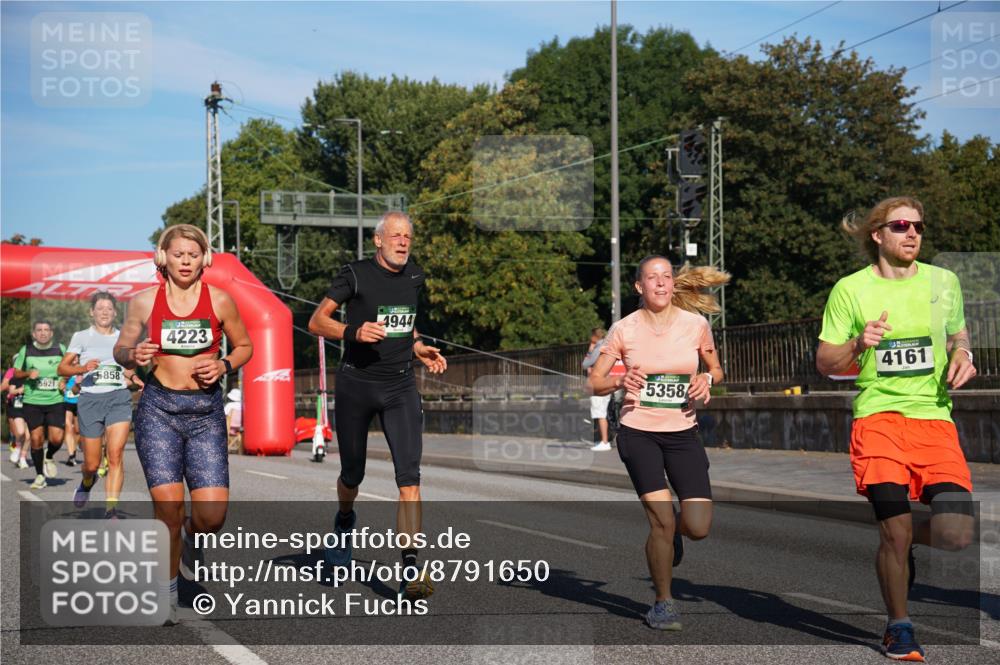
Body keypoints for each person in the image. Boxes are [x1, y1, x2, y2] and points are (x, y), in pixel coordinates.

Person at [816, 196, 976, 663]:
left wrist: (963, 353)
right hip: (878, 420)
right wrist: (856, 342)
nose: (913, 234)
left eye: (919, 227)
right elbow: (826, 362)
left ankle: (899, 539)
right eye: (902, 225)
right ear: (877, 235)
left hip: (935, 420)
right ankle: (899, 627)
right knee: (895, 530)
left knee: (955, 533)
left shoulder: (943, 281)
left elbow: (957, 333)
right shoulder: (851, 290)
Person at [114, 224, 253, 624]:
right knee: (169, 509)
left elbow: (245, 345)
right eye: (179, 254)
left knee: (211, 517)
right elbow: (121, 348)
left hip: (206, 413)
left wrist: (225, 363)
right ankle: (167, 592)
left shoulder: (221, 300)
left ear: (205, 259)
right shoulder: (143, 302)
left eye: (194, 254)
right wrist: (132, 353)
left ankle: (194, 539)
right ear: (164, 257)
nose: (186, 261)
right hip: (158, 411)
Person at [308, 211, 447, 601]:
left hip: (400, 386)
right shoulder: (355, 274)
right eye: (395, 236)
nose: (403, 242)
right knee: (353, 475)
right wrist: (353, 331)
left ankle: (410, 570)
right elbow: (317, 322)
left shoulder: (414, 276)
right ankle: (344, 521)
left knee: (410, 481)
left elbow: (407, 323)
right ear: (378, 241)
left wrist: (418, 347)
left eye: (408, 236)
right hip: (356, 384)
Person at [588, 256, 727, 631]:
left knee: (697, 526)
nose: (661, 284)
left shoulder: (696, 325)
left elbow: (715, 368)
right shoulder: (624, 329)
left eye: (666, 277)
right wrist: (620, 382)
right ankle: (663, 603)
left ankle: (671, 540)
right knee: (662, 521)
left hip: (683, 432)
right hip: (639, 432)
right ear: (640, 287)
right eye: (652, 278)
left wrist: (707, 381)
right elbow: (594, 382)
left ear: (673, 283)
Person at [60, 291, 143, 519]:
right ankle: (87, 482)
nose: (104, 312)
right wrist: (81, 369)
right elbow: (62, 368)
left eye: (109, 309)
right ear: (92, 312)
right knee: (92, 463)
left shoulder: (123, 338)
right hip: (90, 400)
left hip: (118, 397)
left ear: (115, 313)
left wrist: (135, 379)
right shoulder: (81, 337)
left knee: (116, 455)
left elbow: (127, 369)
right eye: (100, 308)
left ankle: (111, 510)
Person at [13, 321, 67, 489]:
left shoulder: (60, 349)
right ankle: (39, 475)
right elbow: (16, 373)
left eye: (46, 330)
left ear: (51, 333)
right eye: (39, 330)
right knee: (36, 439)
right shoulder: (26, 350)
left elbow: (69, 368)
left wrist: (64, 380)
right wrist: (28, 373)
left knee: (57, 438)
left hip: (55, 400)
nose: (43, 333)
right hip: (33, 401)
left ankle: (49, 455)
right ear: (34, 334)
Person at [5, 357, 29, 469]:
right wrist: (19, 390)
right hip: (17, 408)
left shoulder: (31, 378)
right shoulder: (15, 379)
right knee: (19, 432)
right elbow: (11, 391)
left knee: (29, 436)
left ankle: (23, 457)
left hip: (31, 408)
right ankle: (17, 447)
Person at [62, 375, 79, 466]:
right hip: (66, 401)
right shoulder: (66, 367)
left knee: (77, 430)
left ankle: (74, 449)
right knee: (68, 427)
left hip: (80, 402)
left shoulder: (83, 367)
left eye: (76, 358)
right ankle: (71, 455)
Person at [224, 387, 243, 453]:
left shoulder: (229, 405)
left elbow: (224, 414)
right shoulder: (242, 406)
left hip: (229, 427)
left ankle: (224, 447)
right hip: (239, 428)